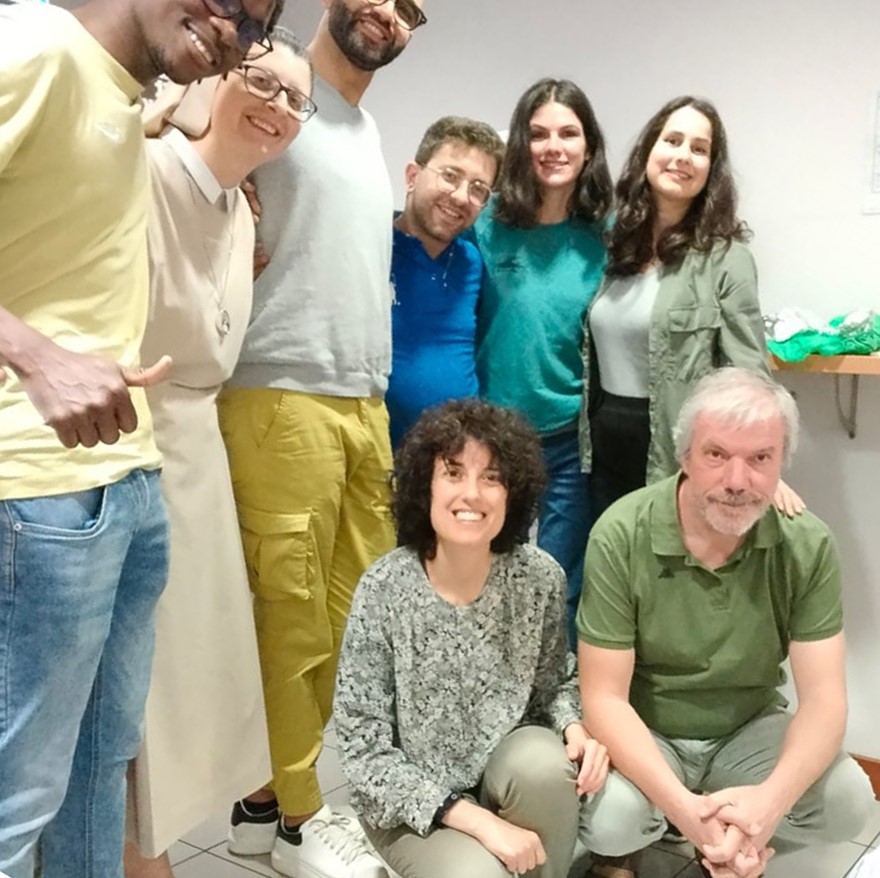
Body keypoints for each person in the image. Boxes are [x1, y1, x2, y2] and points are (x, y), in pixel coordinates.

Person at [0, 1, 281, 876]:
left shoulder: (125, 100)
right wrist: (35, 355)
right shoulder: (35, 46)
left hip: (126, 482)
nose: (230, 28)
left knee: (97, 778)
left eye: (253, 22)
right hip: (36, 492)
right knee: (18, 794)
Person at [217, 1, 427, 877]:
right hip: (281, 393)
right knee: (289, 619)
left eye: (409, 8)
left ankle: (261, 803)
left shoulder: (364, 128)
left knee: (350, 624)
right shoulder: (268, 76)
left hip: (360, 404)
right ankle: (303, 820)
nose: (387, 12)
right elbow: (170, 132)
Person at [123, 29, 313, 878]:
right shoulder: (145, 171)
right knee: (139, 695)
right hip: (125, 448)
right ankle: (138, 857)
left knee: (191, 691)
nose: (277, 107)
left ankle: (145, 850)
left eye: (294, 100)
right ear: (216, 80)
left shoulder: (240, 212)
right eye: (261, 82)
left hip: (198, 455)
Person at [576, 368, 873, 878]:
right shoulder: (620, 533)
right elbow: (603, 699)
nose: (737, 481)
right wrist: (686, 813)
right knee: (611, 820)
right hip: (651, 728)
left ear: (782, 462)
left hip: (747, 728)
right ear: (684, 455)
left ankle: (732, 840)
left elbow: (825, 702)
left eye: (760, 459)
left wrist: (766, 809)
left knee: (849, 801)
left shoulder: (807, 544)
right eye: (716, 455)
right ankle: (683, 832)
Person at [334, 400, 609, 878]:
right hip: (413, 805)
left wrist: (574, 728)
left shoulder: (538, 577)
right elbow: (364, 751)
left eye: (492, 477)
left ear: (513, 493)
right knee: (479, 874)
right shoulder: (384, 588)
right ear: (424, 486)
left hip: (505, 775)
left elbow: (555, 685)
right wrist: (477, 821)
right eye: (454, 473)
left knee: (546, 767)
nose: (472, 493)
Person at [580, 95, 801, 523]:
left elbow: (749, 373)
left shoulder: (727, 259)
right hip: (601, 452)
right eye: (673, 140)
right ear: (649, 150)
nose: (683, 156)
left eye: (699, 149)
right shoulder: (611, 244)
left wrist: (763, 466)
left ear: (710, 170)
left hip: (674, 454)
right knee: (609, 557)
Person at [473, 78, 613, 645]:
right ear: (520, 143)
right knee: (485, 573)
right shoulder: (487, 224)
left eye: (568, 133)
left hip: (568, 440)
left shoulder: (605, 236)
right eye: (538, 134)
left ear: (588, 145)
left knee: (559, 580)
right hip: (492, 437)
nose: (553, 147)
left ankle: (555, 689)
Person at [387, 115, 504, 448]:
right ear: (413, 176)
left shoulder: (471, 262)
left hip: (455, 455)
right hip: (378, 451)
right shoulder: (373, 246)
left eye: (478, 189)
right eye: (450, 176)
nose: (462, 197)